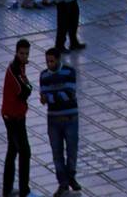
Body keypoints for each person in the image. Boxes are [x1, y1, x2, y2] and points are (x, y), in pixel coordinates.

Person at [39, 45, 79, 195]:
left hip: (70, 117)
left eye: (52, 61)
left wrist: (50, 98)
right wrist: (51, 98)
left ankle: (71, 177)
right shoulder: (44, 76)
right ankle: (63, 182)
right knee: (57, 152)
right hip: (53, 120)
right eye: (47, 61)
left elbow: (69, 93)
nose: (49, 64)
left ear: (58, 60)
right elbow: (44, 96)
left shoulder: (69, 72)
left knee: (72, 150)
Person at [1, 39, 34, 197]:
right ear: (16, 52)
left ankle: (7, 189)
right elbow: (24, 90)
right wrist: (28, 87)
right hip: (13, 117)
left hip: (15, 114)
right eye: (22, 53)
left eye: (27, 53)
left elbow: (27, 87)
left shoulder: (20, 67)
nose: (24, 56)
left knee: (12, 150)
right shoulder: (14, 69)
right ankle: (23, 190)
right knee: (25, 152)